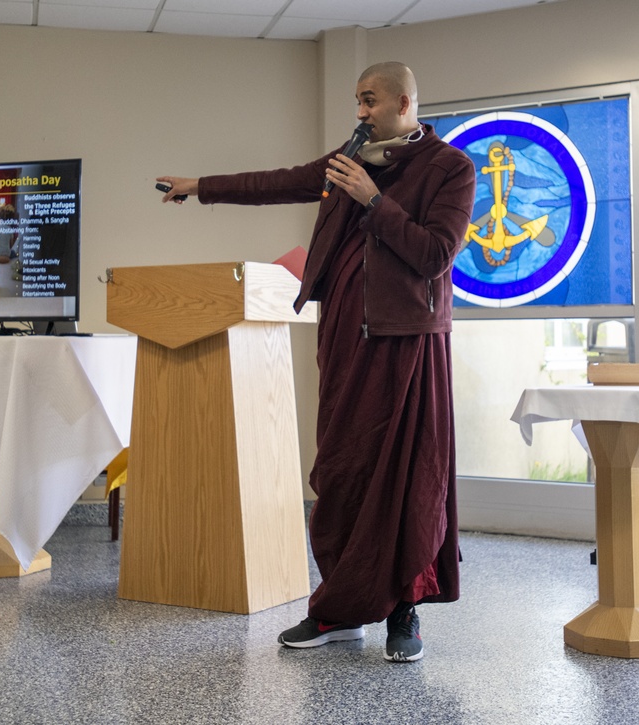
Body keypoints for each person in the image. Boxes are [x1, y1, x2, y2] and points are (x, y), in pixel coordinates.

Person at [158, 61, 476, 664]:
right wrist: (199, 185)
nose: (359, 113)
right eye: (357, 101)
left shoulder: (450, 169)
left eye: (370, 100)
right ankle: (338, 610)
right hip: (343, 339)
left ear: (404, 102)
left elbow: (435, 256)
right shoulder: (349, 158)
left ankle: (404, 612)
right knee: (340, 472)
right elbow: (279, 181)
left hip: (407, 344)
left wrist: (373, 200)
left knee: (407, 479)